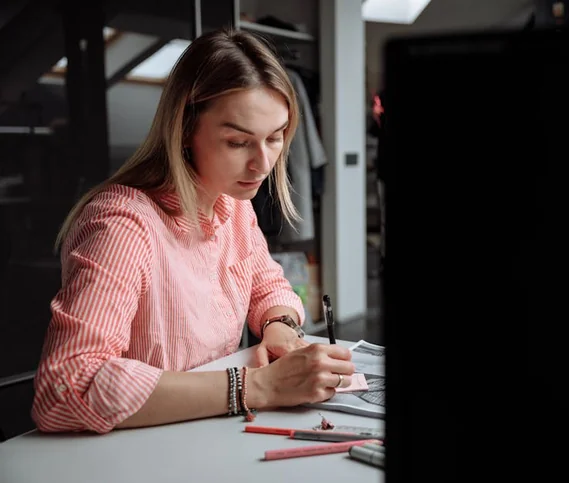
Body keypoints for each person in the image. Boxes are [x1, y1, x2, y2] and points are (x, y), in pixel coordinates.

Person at [30, 28, 354, 434]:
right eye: (238, 142)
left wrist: (281, 329)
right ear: (184, 128)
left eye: (275, 138)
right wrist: (256, 388)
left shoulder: (232, 205)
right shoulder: (122, 226)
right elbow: (64, 390)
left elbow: (267, 286)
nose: (263, 164)